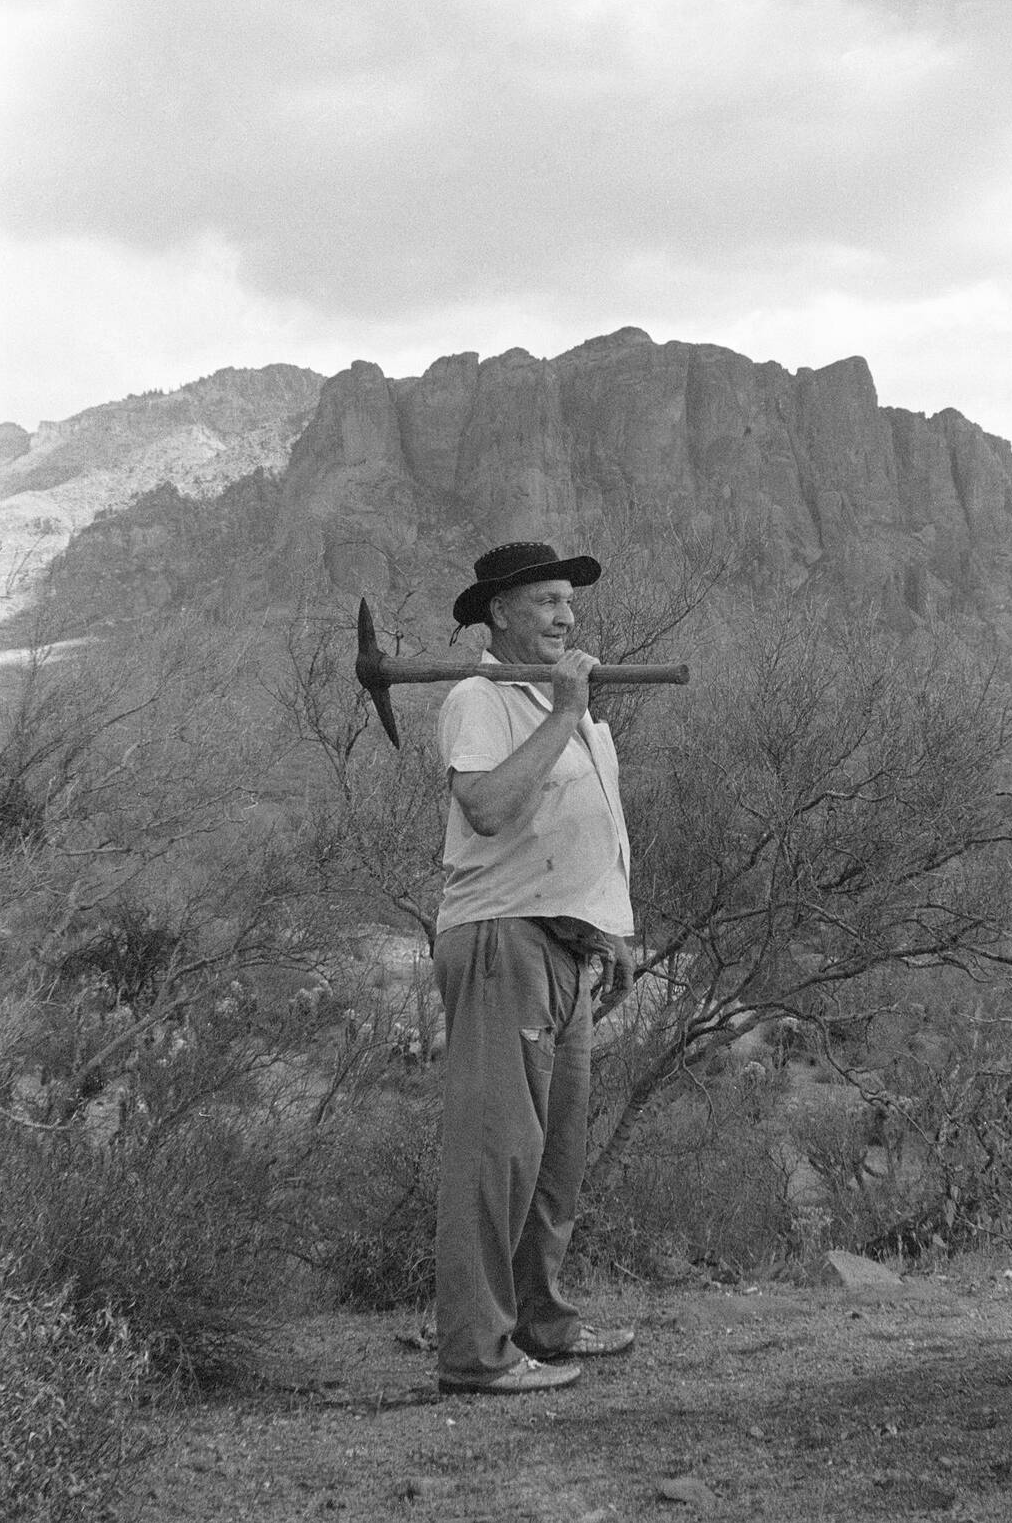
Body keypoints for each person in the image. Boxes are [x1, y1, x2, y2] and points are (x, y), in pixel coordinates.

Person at [431, 541, 637, 1396]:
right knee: (496, 1155)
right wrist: (561, 713)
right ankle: (476, 1353)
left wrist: (618, 930)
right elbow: (484, 808)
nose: (566, 616)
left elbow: (596, 827)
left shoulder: (576, 709)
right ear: (500, 614)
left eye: (569, 603)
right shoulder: (480, 700)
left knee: (555, 1157)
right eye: (548, 602)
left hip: (569, 946)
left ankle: (541, 1322)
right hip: (502, 942)